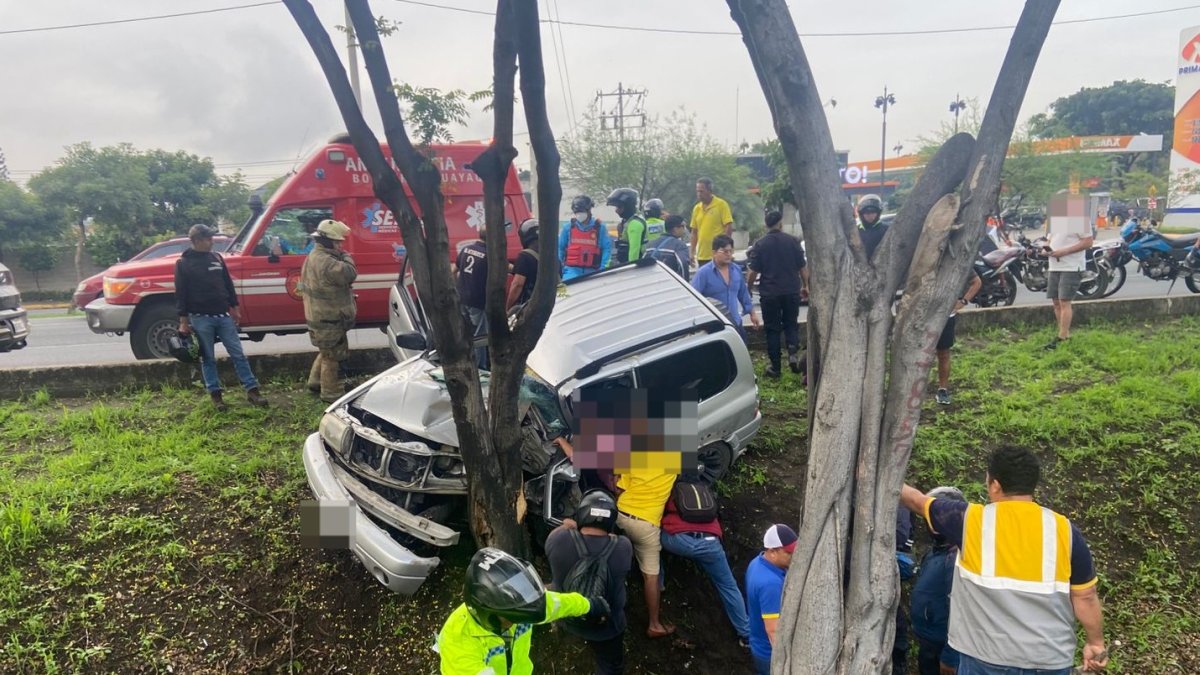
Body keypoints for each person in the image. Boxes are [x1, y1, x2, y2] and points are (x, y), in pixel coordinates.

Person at [899, 446, 1108, 675]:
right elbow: (1086, 597)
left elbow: (918, 501)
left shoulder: (970, 521)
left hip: (986, 659)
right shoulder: (1065, 531)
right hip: (1049, 659)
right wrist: (1095, 643)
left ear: (995, 484)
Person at [435, 547, 609, 675]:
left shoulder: (519, 606)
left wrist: (589, 605)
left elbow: (557, 604)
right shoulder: (458, 641)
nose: (518, 620)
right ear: (486, 612)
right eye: (511, 617)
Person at [175, 224, 268, 411]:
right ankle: (216, 396)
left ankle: (252, 391)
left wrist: (234, 307)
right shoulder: (183, 263)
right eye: (208, 239)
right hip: (201, 318)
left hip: (223, 315)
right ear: (197, 241)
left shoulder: (216, 258)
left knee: (238, 354)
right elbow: (181, 293)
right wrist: (183, 321)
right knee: (208, 358)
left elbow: (227, 284)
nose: (212, 242)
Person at [545, 490, 633, 675]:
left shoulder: (558, 539)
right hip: (607, 627)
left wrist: (568, 526)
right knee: (611, 665)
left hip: (567, 618)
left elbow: (559, 537)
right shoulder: (623, 546)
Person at [659, 493, 751, 648]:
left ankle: (658, 582)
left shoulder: (668, 490)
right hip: (710, 543)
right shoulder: (705, 492)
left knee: (649, 540)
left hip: (679, 540)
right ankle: (746, 634)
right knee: (728, 586)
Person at [910, 486, 967, 675]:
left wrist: (951, 656)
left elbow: (961, 611)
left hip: (944, 646)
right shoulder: (936, 552)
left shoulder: (955, 559)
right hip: (929, 639)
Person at [300, 219, 357, 403]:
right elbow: (349, 273)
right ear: (329, 241)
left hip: (319, 316)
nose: (340, 245)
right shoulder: (327, 261)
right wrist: (347, 255)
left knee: (326, 351)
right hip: (329, 318)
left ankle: (315, 382)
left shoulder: (313, 257)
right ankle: (330, 393)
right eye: (338, 242)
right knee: (332, 356)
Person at [746, 211, 808, 378]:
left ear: (766, 225)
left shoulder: (760, 244)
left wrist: (749, 288)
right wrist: (806, 286)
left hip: (770, 293)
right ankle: (793, 353)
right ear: (781, 224)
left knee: (772, 330)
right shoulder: (793, 242)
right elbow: (802, 267)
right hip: (791, 291)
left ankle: (775, 367)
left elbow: (752, 271)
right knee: (790, 324)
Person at [745, 523, 796, 675]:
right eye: (789, 552)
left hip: (757, 642)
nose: (795, 555)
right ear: (773, 552)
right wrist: (785, 662)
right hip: (768, 653)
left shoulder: (757, 562)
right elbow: (773, 630)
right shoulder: (770, 584)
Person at [692, 234, 761, 340]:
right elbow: (693, 298)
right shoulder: (703, 273)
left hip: (735, 323)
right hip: (715, 327)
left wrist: (752, 313)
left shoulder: (736, 270)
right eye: (724, 251)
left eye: (730, 251)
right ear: (714, 253)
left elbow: (743, 294)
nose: (728, 254)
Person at [1044, 217, 1095, 351]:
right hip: (1054, 265)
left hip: (1071, 266)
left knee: (1064, 301)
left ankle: (1062, 337)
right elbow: (1049, 240)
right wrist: (1045, 249)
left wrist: (1064, 251)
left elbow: (1088, 242)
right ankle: (1064, 333)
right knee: (1056, 301)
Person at [934, 270, 983, 405]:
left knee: (943, 353)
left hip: (945, 315)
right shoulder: (919, 258)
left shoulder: (957, 261)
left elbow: (976, 282)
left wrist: (963, 301)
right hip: (921, 316)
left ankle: (943, 389)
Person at [455, 228, 489, 369]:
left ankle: (463, 362)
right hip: (477, 300)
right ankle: (479, 368)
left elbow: (454, 270)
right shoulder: (488, 254)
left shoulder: (466, 249)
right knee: (480, 337)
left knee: (466, 333)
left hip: (462, 297)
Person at [559, 195, 612, 281]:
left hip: (593, 272)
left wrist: (602, 269)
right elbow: (560, 249)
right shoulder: (567, 228)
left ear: (589, 210)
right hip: (571, 271)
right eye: (577, 212)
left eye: (581, 211)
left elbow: (607, 249)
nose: (579, 214)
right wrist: (559, 268)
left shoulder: (600, 228)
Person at [690, 178, 735, 267]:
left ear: (709, 191)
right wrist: (692, 252)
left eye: (701, 191)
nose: (699, 194)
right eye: (697, 191)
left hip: (718, 255)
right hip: (702, 256)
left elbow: (728, 226)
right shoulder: (697, 208)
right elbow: (694, 232)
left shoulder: (721, 205)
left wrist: (725, 249)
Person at [506, 219, 542, 312]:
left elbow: (517, 285)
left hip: (529, 308)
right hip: (550, 307)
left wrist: (508, 308)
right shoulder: (553, 256)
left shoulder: (525, 256)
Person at [643, 215, 691, 280]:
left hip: (653, 281)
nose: (684, 229)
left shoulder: (650, 244)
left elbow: (643, 263)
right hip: (669, 282)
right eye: (683, 226)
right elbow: (683, 265)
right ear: (675, 229)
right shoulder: (679, 245)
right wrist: (685, 283)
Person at [607, 187, 647, 265]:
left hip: (632, 268)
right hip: (622, 263)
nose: (616, 210)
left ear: (628, 206)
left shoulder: (635, 224)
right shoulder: (626, 222)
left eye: (619, 207)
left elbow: (634, 251)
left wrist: (630, 269)